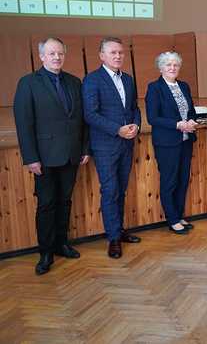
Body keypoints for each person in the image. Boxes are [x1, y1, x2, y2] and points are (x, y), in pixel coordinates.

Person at [13, 37, 90, 275]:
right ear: (42, 56)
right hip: (44, 158)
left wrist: (85, 149)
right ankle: (45, 252)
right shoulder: (28, 83)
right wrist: (30, 158)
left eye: (60, 53)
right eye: (52, 53)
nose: (57, 57)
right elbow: (24, 124)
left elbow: (82, 120)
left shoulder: (74, 82)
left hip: (71, 154)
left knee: (65, 202)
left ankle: (61, 244)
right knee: (46, 205)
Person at [83, 37, 142, 258]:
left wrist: (136, 124)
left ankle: (118, 229)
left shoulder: (128, 79)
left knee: (121, 189)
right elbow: (90, 114)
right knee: (110, 191)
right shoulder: (92, 80)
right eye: (112, 52)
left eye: (120, 52)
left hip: (126, 144)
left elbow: (134, 108)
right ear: (102, 56)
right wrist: (117, 129)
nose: (118, 56)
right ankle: (113, 238)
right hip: (106, 145)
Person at [145, 51, 198, 234]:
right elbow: (153, 118)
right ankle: (172, 219)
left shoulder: (184, 86)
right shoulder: (154, 88)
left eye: (175, 65)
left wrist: (191, 121)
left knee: (183, 179)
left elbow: (190, 110)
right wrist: (177, 124)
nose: (172, 68)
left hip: (185, 141)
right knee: (170, 181)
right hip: (167, 143)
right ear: (161, 68)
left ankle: (179, 215)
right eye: (168, 65)